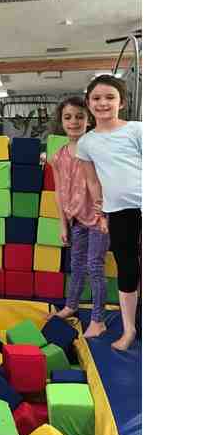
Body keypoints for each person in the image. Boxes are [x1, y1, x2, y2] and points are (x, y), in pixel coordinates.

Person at [77, 75, 142, 351]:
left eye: (110, 97)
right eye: (96, 98)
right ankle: (129, 329)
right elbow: (93, 182)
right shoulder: (86, 143)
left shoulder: (137, 130)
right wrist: (101, 212)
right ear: (89, 103)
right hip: (118, 211)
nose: (103, 103)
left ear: (121, 102)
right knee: (127, 267)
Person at [48, 97, 110, 338]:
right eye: (68, 117)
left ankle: (98, 320)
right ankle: (71, 305)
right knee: (76, 265)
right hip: (76, 219)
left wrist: (105, 215)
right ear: (62, 121)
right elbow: (59, 192)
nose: (73, 122)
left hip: (98, 218)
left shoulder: (97, 150)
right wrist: (63, 224)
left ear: (89, 120)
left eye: (79, 117)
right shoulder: (58, 157)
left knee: (95, 267)